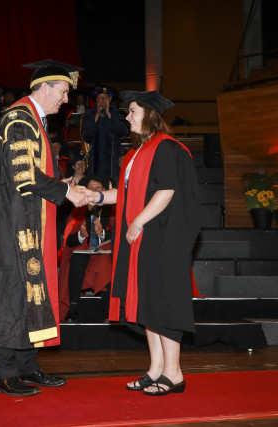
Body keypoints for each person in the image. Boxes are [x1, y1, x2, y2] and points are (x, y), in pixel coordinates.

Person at [0, 60, 88, 397]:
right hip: (10, 227)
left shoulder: (31, 119)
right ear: (44, 87)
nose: (66, 100)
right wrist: (66, 192)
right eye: (63, 92)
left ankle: (28, 367)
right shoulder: (19, 120)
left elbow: (30, 172)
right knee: (7, 297)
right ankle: (4, 374)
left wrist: (64, 186)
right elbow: (25, 175)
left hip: (26, 223)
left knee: (29, 296)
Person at [83, 91, 201, 396]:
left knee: (163, 301)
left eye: (133, 111)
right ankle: (156, 369)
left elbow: (167, 191)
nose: (127, 117)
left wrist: (137, 222)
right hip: (145, 239)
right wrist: (96, 196)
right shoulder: (135, 154)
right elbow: (125, 195)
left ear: (149, 114)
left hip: (162, 236)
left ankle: (174, 373)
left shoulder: (166, 147)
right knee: (148, 302)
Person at [58, 175, 114, 322]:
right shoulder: (78, 210)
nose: (94, 191)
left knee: (105, 262)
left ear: (104, 190)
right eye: (91, 188)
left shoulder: (112, 210)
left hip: (103, 254)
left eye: (98, 188)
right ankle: (73, 309)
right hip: (82, 254)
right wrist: (81, 235)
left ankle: (108, 310)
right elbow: (69, 242)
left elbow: (118, 235)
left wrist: (102, 233)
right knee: (76, 261)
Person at [81, 86, 128, 179]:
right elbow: (86, 136)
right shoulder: (89, 114)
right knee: (95, 179)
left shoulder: (118, 114)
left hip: (113, 155)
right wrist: (97, 115)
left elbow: (123, 132)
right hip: (95, 156)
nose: (103, 100)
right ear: (96, 99)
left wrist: (109, 114)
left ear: (110, 99)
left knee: (113, 179)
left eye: (105, 97)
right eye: (100, 97)